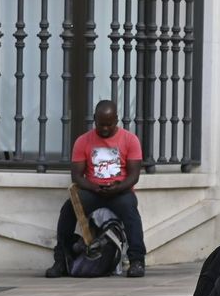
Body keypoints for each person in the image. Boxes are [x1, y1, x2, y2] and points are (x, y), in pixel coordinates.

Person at [46, 100, 147, 279]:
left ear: (116, 120)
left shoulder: (130, 140)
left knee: (130, 211)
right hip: (93, 190)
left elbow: (133, 176)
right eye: (101, 124)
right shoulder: (83, 141)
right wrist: (94, 187)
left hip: (120, 190)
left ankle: (137, 260)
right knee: (68, 209)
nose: (106, 128)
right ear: (94, 120)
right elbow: (77, 176)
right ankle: (61, 260)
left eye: (110, 124)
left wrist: (118, 187)